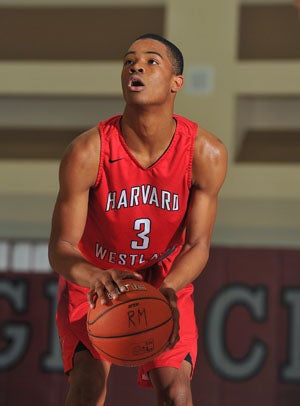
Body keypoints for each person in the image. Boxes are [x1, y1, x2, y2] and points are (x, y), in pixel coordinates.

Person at [48, 32, 227, 406]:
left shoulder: (205, 153)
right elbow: (61, 248)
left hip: (162, 274)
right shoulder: (88, 151)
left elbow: (197, 245)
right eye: (129, 61)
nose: (136, 66)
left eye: (151, 61)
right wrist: (94, 276)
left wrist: (169, 289)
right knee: (87, 387)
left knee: (177, 393)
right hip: (96, 276)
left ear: (177, 82)